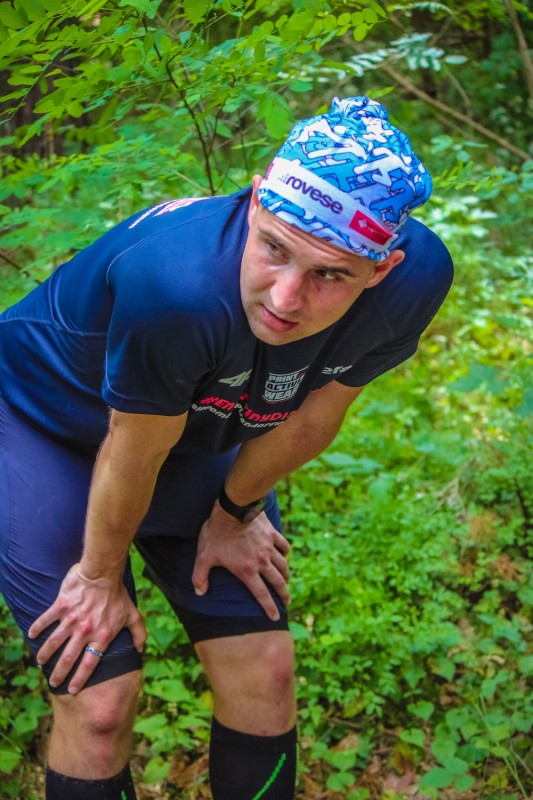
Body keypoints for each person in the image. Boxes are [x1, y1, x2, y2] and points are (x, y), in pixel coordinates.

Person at [0, 96, 453, 799]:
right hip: (36, 426)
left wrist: (235, 512)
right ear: (255, 199)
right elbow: (132, 450)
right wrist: (97, 578)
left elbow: (310, 419)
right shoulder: (176, 286)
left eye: (329, 274)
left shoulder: (415, 282)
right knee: (99, 700)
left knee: (264, 671)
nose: (285, 297)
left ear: (382, 268)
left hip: (182, 436)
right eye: (274, 248)